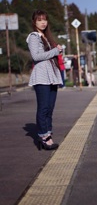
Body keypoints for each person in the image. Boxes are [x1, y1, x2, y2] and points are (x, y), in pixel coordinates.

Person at [26, 9, 63, 150]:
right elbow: (36, 56)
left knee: (50, 108)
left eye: (45, 19)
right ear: (34, 21)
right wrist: (55, 51)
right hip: (41, 76)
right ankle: (43, 137)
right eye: (39, 20)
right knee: (44, 108)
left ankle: (48, 135)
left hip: (51, 75)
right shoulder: (34, 36)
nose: (43, 22)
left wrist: (56, 51)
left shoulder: (46, 37)